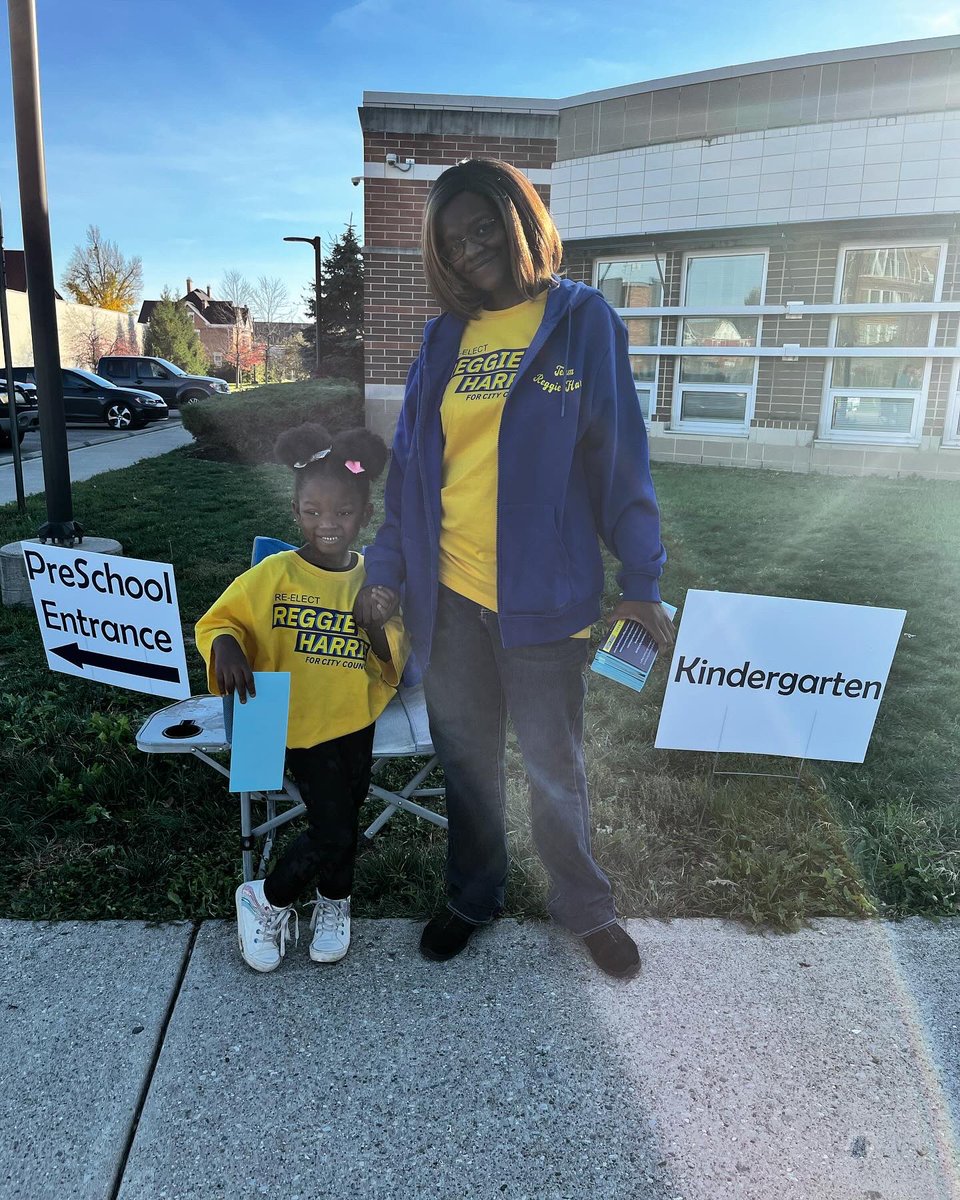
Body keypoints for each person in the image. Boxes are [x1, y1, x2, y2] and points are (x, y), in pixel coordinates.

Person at [354, 157, 674, 980]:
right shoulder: (442, 337)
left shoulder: (581, 321)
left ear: (517, 219)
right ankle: (473, 893)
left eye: (481, 227)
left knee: (553, 766)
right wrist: (386, 571)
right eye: (451, 242)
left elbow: (620, 465)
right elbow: (413, 472)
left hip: (545, 606)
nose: (468, 250)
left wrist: (642, 584)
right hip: (449, 598)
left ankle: (585, 905)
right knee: (466, 759)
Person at [196, 423, 406, 973]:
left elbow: (392, 661)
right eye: (312, 511)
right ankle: (267, 898)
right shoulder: (275, 572)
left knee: (346, 815)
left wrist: (376, 622)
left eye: (341, 512)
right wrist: (227, 648)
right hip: (287, 718)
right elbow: (221, 620)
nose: (326, 523)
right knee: (335, 827)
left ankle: (334, 902)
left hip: (353, 718)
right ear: (295, 511)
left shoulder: (374, 579)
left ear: (363, 514)